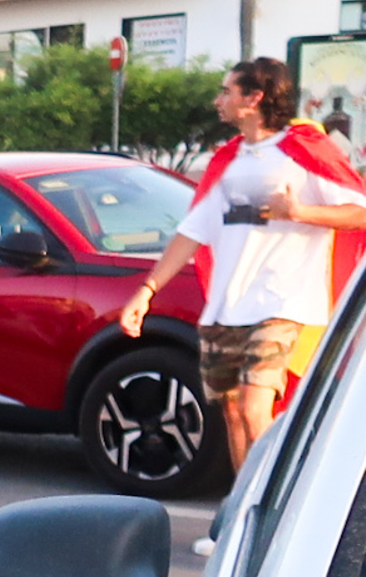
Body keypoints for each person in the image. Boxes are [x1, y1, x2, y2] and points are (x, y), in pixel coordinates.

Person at [121, 57, 366, 470]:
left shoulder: (302, 152)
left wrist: (300, 212)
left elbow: (359, 213)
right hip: (227, 306)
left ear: (254, 98)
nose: (219, 100)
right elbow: (191, 233)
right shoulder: (231, 160)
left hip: (281, 302)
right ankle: (240, 518)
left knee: (256, 410)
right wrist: (146, 292)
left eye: (226, 91)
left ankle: (269, 517)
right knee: (233, 414)